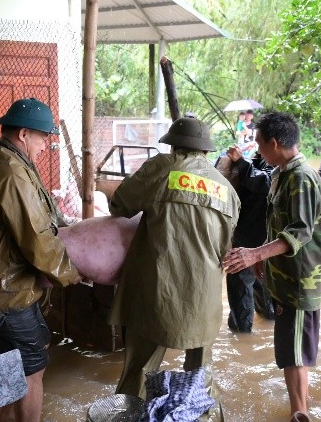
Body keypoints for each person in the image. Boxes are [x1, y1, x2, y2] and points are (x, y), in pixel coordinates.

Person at [108, 115, 240, 420]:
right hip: (204, 298)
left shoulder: (160, 168)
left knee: (140, 370)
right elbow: (225, 246)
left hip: (158, 291)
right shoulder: (226, 189)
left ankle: (128, 416)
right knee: (200, 374)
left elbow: (120, 205)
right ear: (205, 151)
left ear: (173, 146)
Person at [0, 97, 82, 422]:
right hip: (2, 294)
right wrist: (74, 273)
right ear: (25, 134)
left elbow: (47, 216)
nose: (46, 145)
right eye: (44, 137)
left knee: (15, 370)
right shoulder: (10, 172)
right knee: (32, 372)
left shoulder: (10, 160)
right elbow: (39, 243)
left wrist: (76, 230)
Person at [223, 112, 321, 422]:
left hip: (300, 280)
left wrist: (255, 255)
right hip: (283, 275)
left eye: (259, 144)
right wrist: (265, 260)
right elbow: (276, 223)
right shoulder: (281, 173)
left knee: (294, 353)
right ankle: (299, 403)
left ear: (274, 142)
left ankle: (300, 413)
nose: (257, 150)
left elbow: (299, 231)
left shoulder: (302, 178)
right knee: (289, 348)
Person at [221, 147, 274, 333]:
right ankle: (247, 337)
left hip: (258, 241)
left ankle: (242, 334)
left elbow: (266, 183)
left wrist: (242, 163)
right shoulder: (256, 161)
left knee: (248, 289)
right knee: (250, 288)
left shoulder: (278, 168)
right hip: (248, 236)